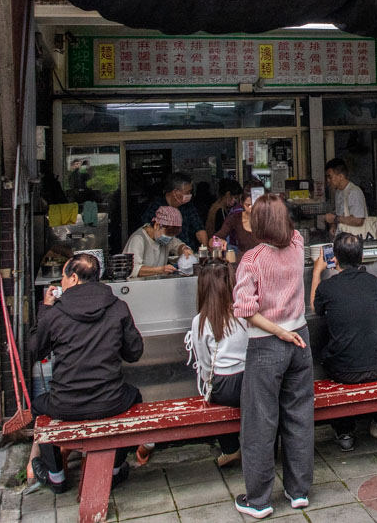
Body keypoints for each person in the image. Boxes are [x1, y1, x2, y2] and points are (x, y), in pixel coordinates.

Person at [30, 253, 144, 494]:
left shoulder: (55, 314)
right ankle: (115, 470)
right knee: (135, 397)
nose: (60, 282)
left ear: (73, 278)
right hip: (111, 401)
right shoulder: (118, 307)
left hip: (65, 404)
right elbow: (134, 353)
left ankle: (56, 475)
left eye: (62, 277)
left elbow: (35, 350)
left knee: (38, 406)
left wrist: (45, 309)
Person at [232, 194, 313, 519]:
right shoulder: (297, 245)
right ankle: (299, 492)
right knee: (299, 414)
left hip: (268, 344)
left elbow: (245, 309)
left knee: (260, 422)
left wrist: (278, 332)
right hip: (301, 341)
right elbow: (290, 229)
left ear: (260, 224)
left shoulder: (251, 259)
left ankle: (259, 500)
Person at [139, 261, 248, 468]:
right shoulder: (245, 312)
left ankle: (230, 449)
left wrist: (210, 383)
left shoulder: (201, 320)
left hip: (224, 386)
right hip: (251, 380)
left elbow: (205, 364)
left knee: (212, 398)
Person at [311, 233, 377, 452]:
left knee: (325, 351)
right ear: (361, 257)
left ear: (334, 258)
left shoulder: (327, 287)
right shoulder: (373, 282)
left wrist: (318, 271)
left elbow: (314, 308)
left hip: (343, 372)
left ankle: (344, 430)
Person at [121, 206, 193, 278]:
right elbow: (132, 269)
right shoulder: (138, 239)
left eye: (172, 235)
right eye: (168, 234)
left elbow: (178, 245)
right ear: (157, 225)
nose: (170, 237)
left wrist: (184, 249)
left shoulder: (167, 238)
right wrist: (161, 270)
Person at [148, 172, 208, 251]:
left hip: (188, 253)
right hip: (163, 254)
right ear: (176, 192)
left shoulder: (188, 206)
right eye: (187, 192)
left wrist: (204, 248)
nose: (190, 194)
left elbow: (199, 229)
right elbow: (150, 233)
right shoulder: (156, 207)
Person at [323, 158, 368, 237]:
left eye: (330, 177)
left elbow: (359, 220)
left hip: (355, 240)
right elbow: (339, 213)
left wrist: (335, 219)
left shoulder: (354, 192)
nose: (328, 180)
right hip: (343, 238)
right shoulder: (338, 192)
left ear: (341, 176)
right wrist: (334, 225)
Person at [215, 186, 261, 256]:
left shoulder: (269, 219)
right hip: (243, 262)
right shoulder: (235, 218)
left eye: (256, 205)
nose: (252, 208)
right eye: (248, 205)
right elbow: (217, 237)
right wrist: (218, 241)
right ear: (241, 203)